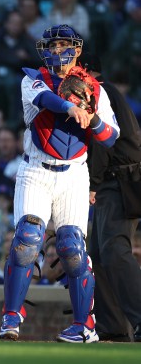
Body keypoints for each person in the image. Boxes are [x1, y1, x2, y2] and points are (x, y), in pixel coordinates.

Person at [0, 24, 119, 343]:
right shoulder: (32, 79)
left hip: (75, 174)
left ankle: (85, 326)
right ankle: (11, 317)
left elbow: (111, 137)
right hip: (35, 170)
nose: (57, 51)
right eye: (52, 45)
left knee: (72, 247)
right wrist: (72, 107)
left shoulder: (95, 89)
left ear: (77, 50)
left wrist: (91, 117)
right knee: (27, 239)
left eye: (64, 45)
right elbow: (45, 99)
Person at [86, 57, 141, 342]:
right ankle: (115, 326)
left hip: (119, 179)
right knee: (98, 255)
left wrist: (92, 183)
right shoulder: (102, 89)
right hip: (118, 178)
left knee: (115, 251)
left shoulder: (97, 89)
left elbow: (103, 141)